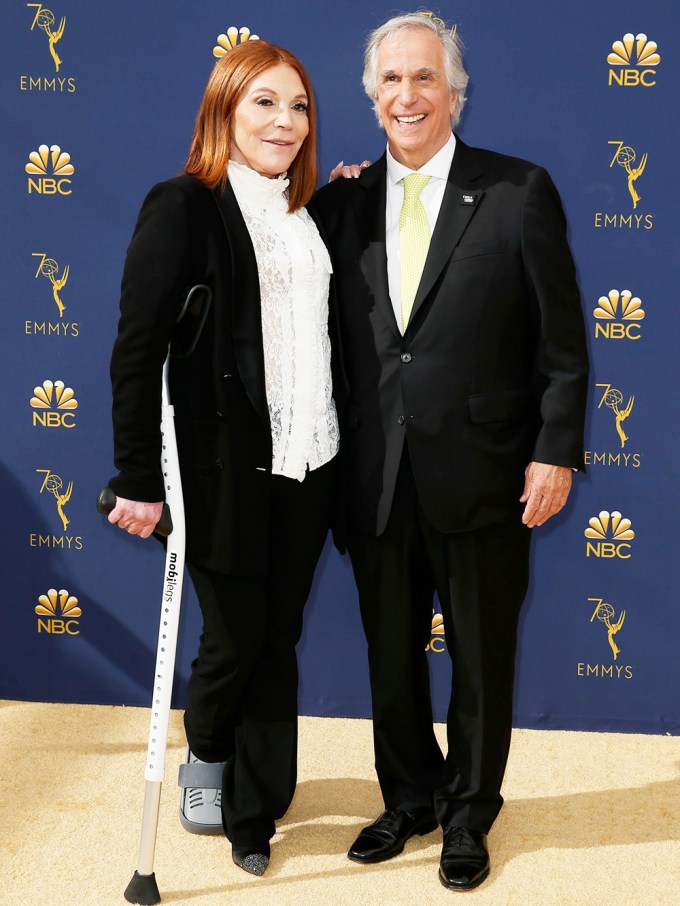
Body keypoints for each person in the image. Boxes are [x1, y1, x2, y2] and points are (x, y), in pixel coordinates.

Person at [310, 13, 588, 892]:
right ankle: (410, 798)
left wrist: (555, 452)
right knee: (389, 657)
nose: (407, 96)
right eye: (390, 81)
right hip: (376, 476)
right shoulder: (338, 202)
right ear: (371, 95)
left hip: (488, 474)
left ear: (456, 92)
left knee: (481, 656)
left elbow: (563, 344)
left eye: (424, 78)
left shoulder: (518, 191)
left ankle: (470, 813)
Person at [107, 40, 339, 877]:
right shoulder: (184, 206)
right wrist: (135, 477)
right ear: (223, 112)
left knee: (276, 636)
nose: (285, 121)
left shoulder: (307, 210)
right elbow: (136, 353)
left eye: (299, 106)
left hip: (312, 460)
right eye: (265, 103)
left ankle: (261, 796)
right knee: (235, 637)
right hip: (220, 470)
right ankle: (212, 764)